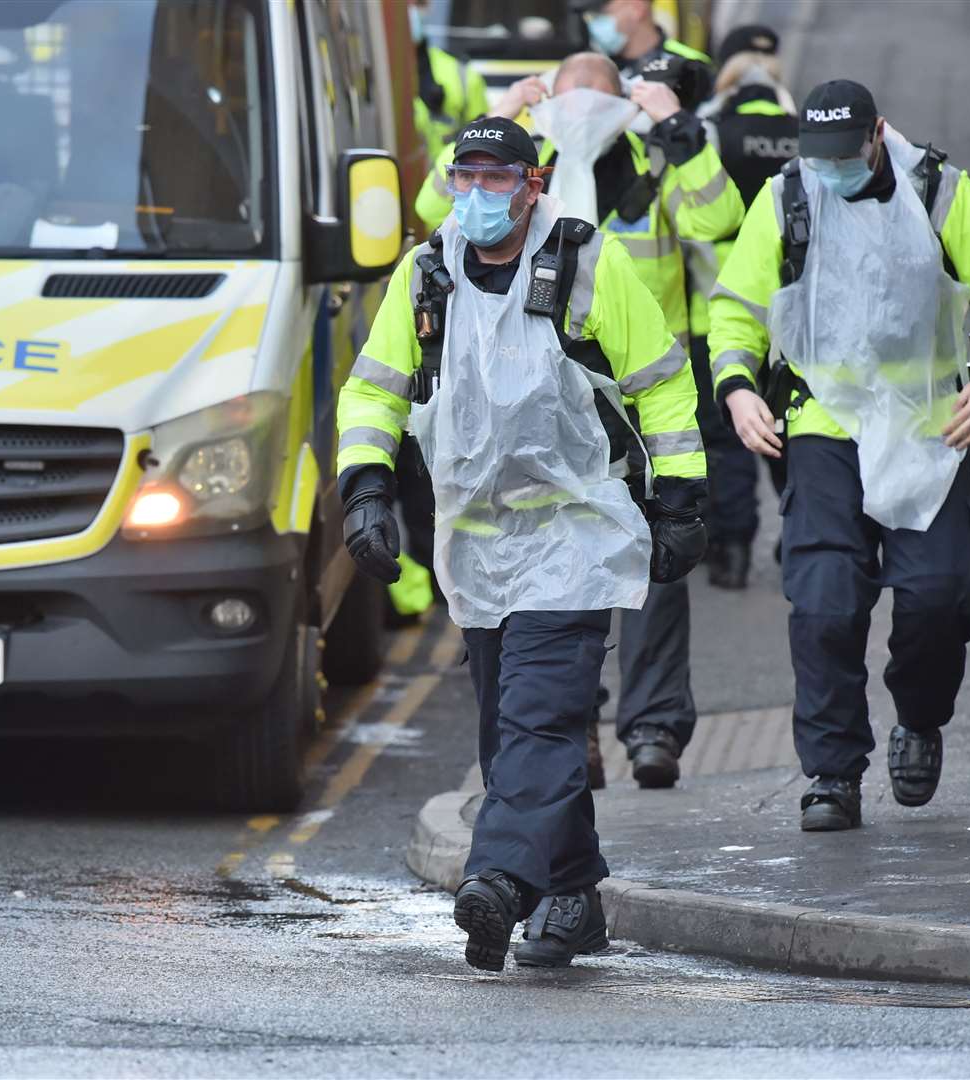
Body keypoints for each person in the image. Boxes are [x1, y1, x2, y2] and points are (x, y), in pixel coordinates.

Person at [338, 119, 707, 969]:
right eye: (462, 176)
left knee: (542, 720)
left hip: (573, 532)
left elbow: (658, 380)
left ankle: (497, 879)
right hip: (477, 543)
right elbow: (374, 388)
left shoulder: (588, 264)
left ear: (532, 183)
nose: (475, 194)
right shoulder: (426, 273)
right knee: (509, 737)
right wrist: (365, 487)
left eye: (494, 178)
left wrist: (680, 499)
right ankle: (572, 898)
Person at [709, 80, 970, 831]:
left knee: (939, 597)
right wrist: (736, 388)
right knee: (824, 604)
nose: (830, 172)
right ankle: (831, 773)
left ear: (876, 134)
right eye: (816, 158)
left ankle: (918, 720)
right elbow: (736, 307)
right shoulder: (787, 197)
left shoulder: (939, 192)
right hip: (824, 428)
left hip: (930, 427)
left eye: (843, 156)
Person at [418, 53, 742, 791]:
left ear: (626, 104)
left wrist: (676, 126)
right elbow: (433, 201)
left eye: (600, 102)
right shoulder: (521, 173)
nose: (584, 116)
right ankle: (579, 728)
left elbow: (718, 216)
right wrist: (502, 111)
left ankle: (654, 726)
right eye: (569, 102)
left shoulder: (652, 158)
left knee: (656, 570)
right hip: (541, 411)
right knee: (559, 592)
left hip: (634, 402)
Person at [689, 23, 801, 589]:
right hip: (795, 311)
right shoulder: (802, 128)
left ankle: (732, 551)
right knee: (792, 424)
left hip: (722, 308)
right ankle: (802, 533)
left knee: (728, 435)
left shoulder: (709, 129)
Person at [576, 0, 713, 105]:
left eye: (602, 14)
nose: (593, 24)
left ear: (637, 8)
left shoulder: (689, 66)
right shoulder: (597, 66)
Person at [408, 0, 489, 166]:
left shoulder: (462, 74)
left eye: (418, 3)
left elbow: (484, 144)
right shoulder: (375, 71)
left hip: (448, 181)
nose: (411, 11)